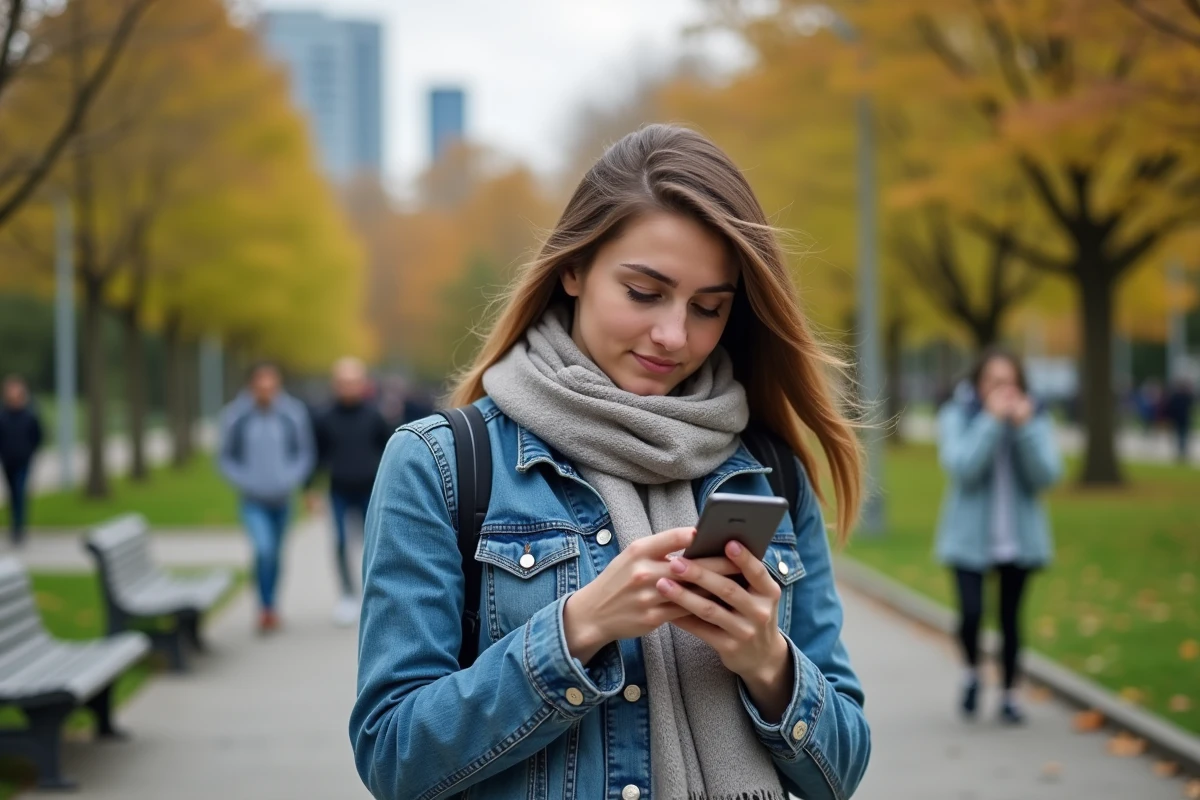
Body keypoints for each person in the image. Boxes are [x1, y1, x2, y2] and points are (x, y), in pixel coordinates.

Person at [351, 125, 870, 800]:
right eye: (645, 293)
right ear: (574, 269)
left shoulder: (767, 470)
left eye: (708, 308)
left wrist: (768, 662)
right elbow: (394, 754)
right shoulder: (441, 465)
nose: (674, 335)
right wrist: (576, 629)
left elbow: (844, 768)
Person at [935, 349, 1062, 725]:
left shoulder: (1035, 419)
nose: (1003, 390)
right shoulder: (957, 416)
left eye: (1010, 382)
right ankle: (972, 672)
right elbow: (963, 468)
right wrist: (990, 423)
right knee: (971, 614)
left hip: (1017, 539)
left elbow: (1047, 476)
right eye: (994, 382)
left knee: (1010, 618)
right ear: (978, 384)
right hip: (969, 537)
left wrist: (1023, 430)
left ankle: (1009, 694)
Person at [218, 362, 315, 634]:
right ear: (251, 386)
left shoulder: (292, 414)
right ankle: (264, 606)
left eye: (271, 386)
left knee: (276, 554)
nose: (266, 392)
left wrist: (290, 477)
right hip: (253, 500)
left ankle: (271, 605)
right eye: (261, 386)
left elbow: (304, 452)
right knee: (263, 549)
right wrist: (245, 479)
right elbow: (226, 457)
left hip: (283, 499)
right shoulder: (236, 416)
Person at [306, 357, 393, 627]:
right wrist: (310, 490)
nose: (348, 387)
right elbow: (317, 455)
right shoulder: (323, 417)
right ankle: (346, 595)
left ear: (363, 384)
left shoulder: (375, 416)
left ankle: (374, 595)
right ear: (335, 385)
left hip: (370, 490)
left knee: (374, 544)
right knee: (342, 543)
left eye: (354, 382)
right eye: (343, 382)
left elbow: (389, 453)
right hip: (339, 490)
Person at [0, 376, 43, 547]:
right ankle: (15, 526)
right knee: (12, 495)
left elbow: (37, 436)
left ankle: (19, 529)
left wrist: (30, 452)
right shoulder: (3, 415)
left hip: (23, 461)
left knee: (20, 492)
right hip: (8, 461)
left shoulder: (30, 414)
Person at [1163, 379, 1195, 463]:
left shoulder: (1184, 397)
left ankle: (1182, 453)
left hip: (1183, 420)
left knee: (1183, 437)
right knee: (1180, 437)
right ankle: (1181, 453)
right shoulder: (1177, 397)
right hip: (1179, 420)